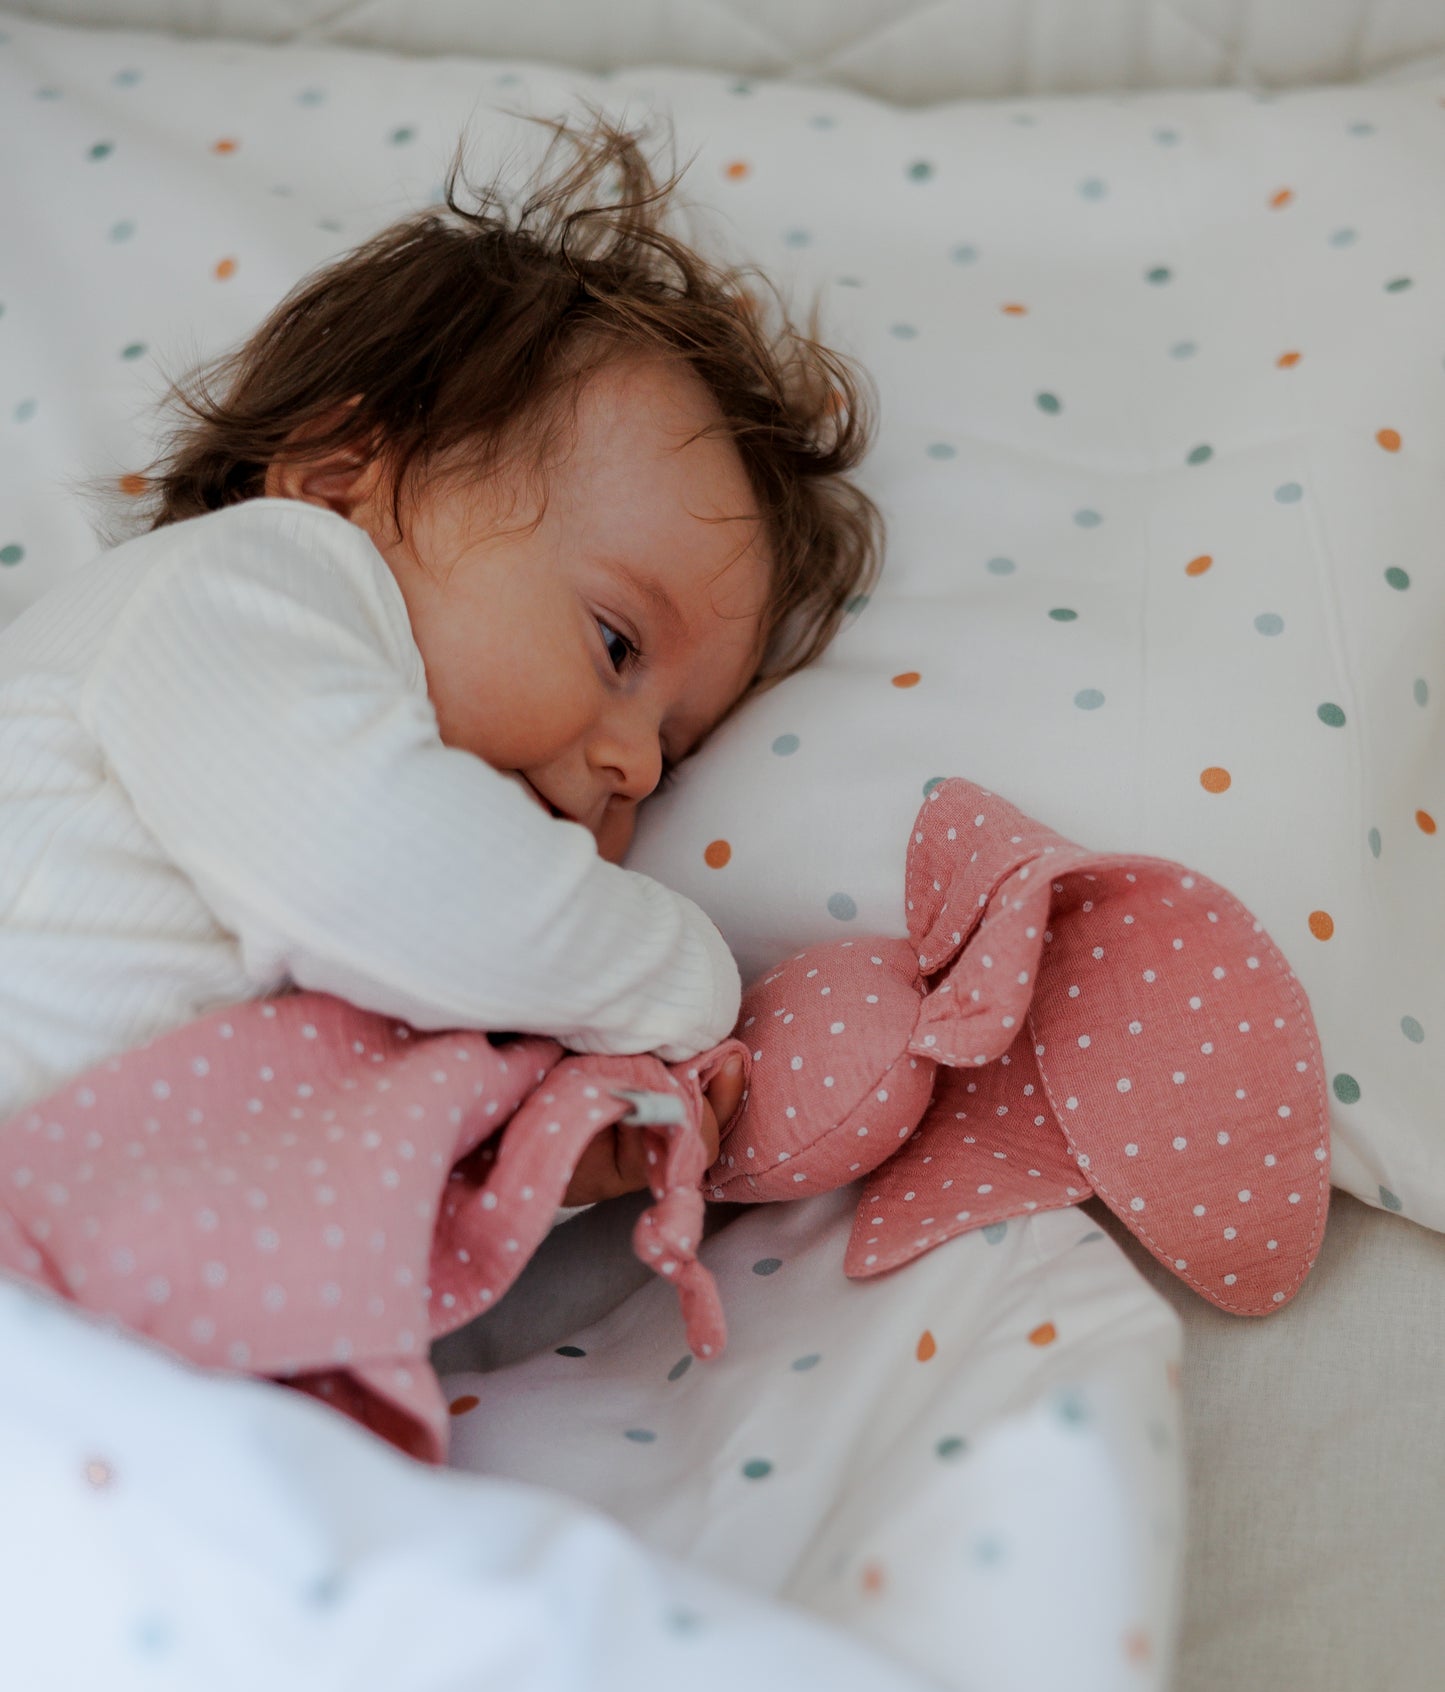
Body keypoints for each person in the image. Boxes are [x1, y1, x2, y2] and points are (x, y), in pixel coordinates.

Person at [0, 110, 882, 1207]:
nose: (643, 773)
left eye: (672, 740)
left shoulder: (417, 925)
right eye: (614, 643)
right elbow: (370, 868)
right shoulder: (241, 586)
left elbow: (318, 1174)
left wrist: (534, 1164)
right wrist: (684, 976)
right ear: (335, 484)